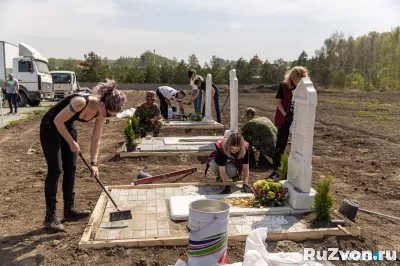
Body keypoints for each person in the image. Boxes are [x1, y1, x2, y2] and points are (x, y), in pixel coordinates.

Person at [39, 79, 126, 232]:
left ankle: (69, 209)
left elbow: (96, 139)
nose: (108, 117)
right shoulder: (80, 102)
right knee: (56, 169)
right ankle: (50, 217)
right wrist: (72, 142)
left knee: (71, 167)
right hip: (51, 126)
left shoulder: (101, 112)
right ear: (102, 104)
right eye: (109, 114)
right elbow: (57, 121)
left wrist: (94, 163)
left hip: (67, 126)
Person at [268, 66, 308, 180]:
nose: (297, 83)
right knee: (281, 144)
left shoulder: (303, 88)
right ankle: (276, 169)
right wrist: (286, 114)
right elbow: (278, 101)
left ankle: (294, 170)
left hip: (298, 119)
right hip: (284, 118)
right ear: (292, 78)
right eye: (296, 81)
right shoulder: (284, 86)